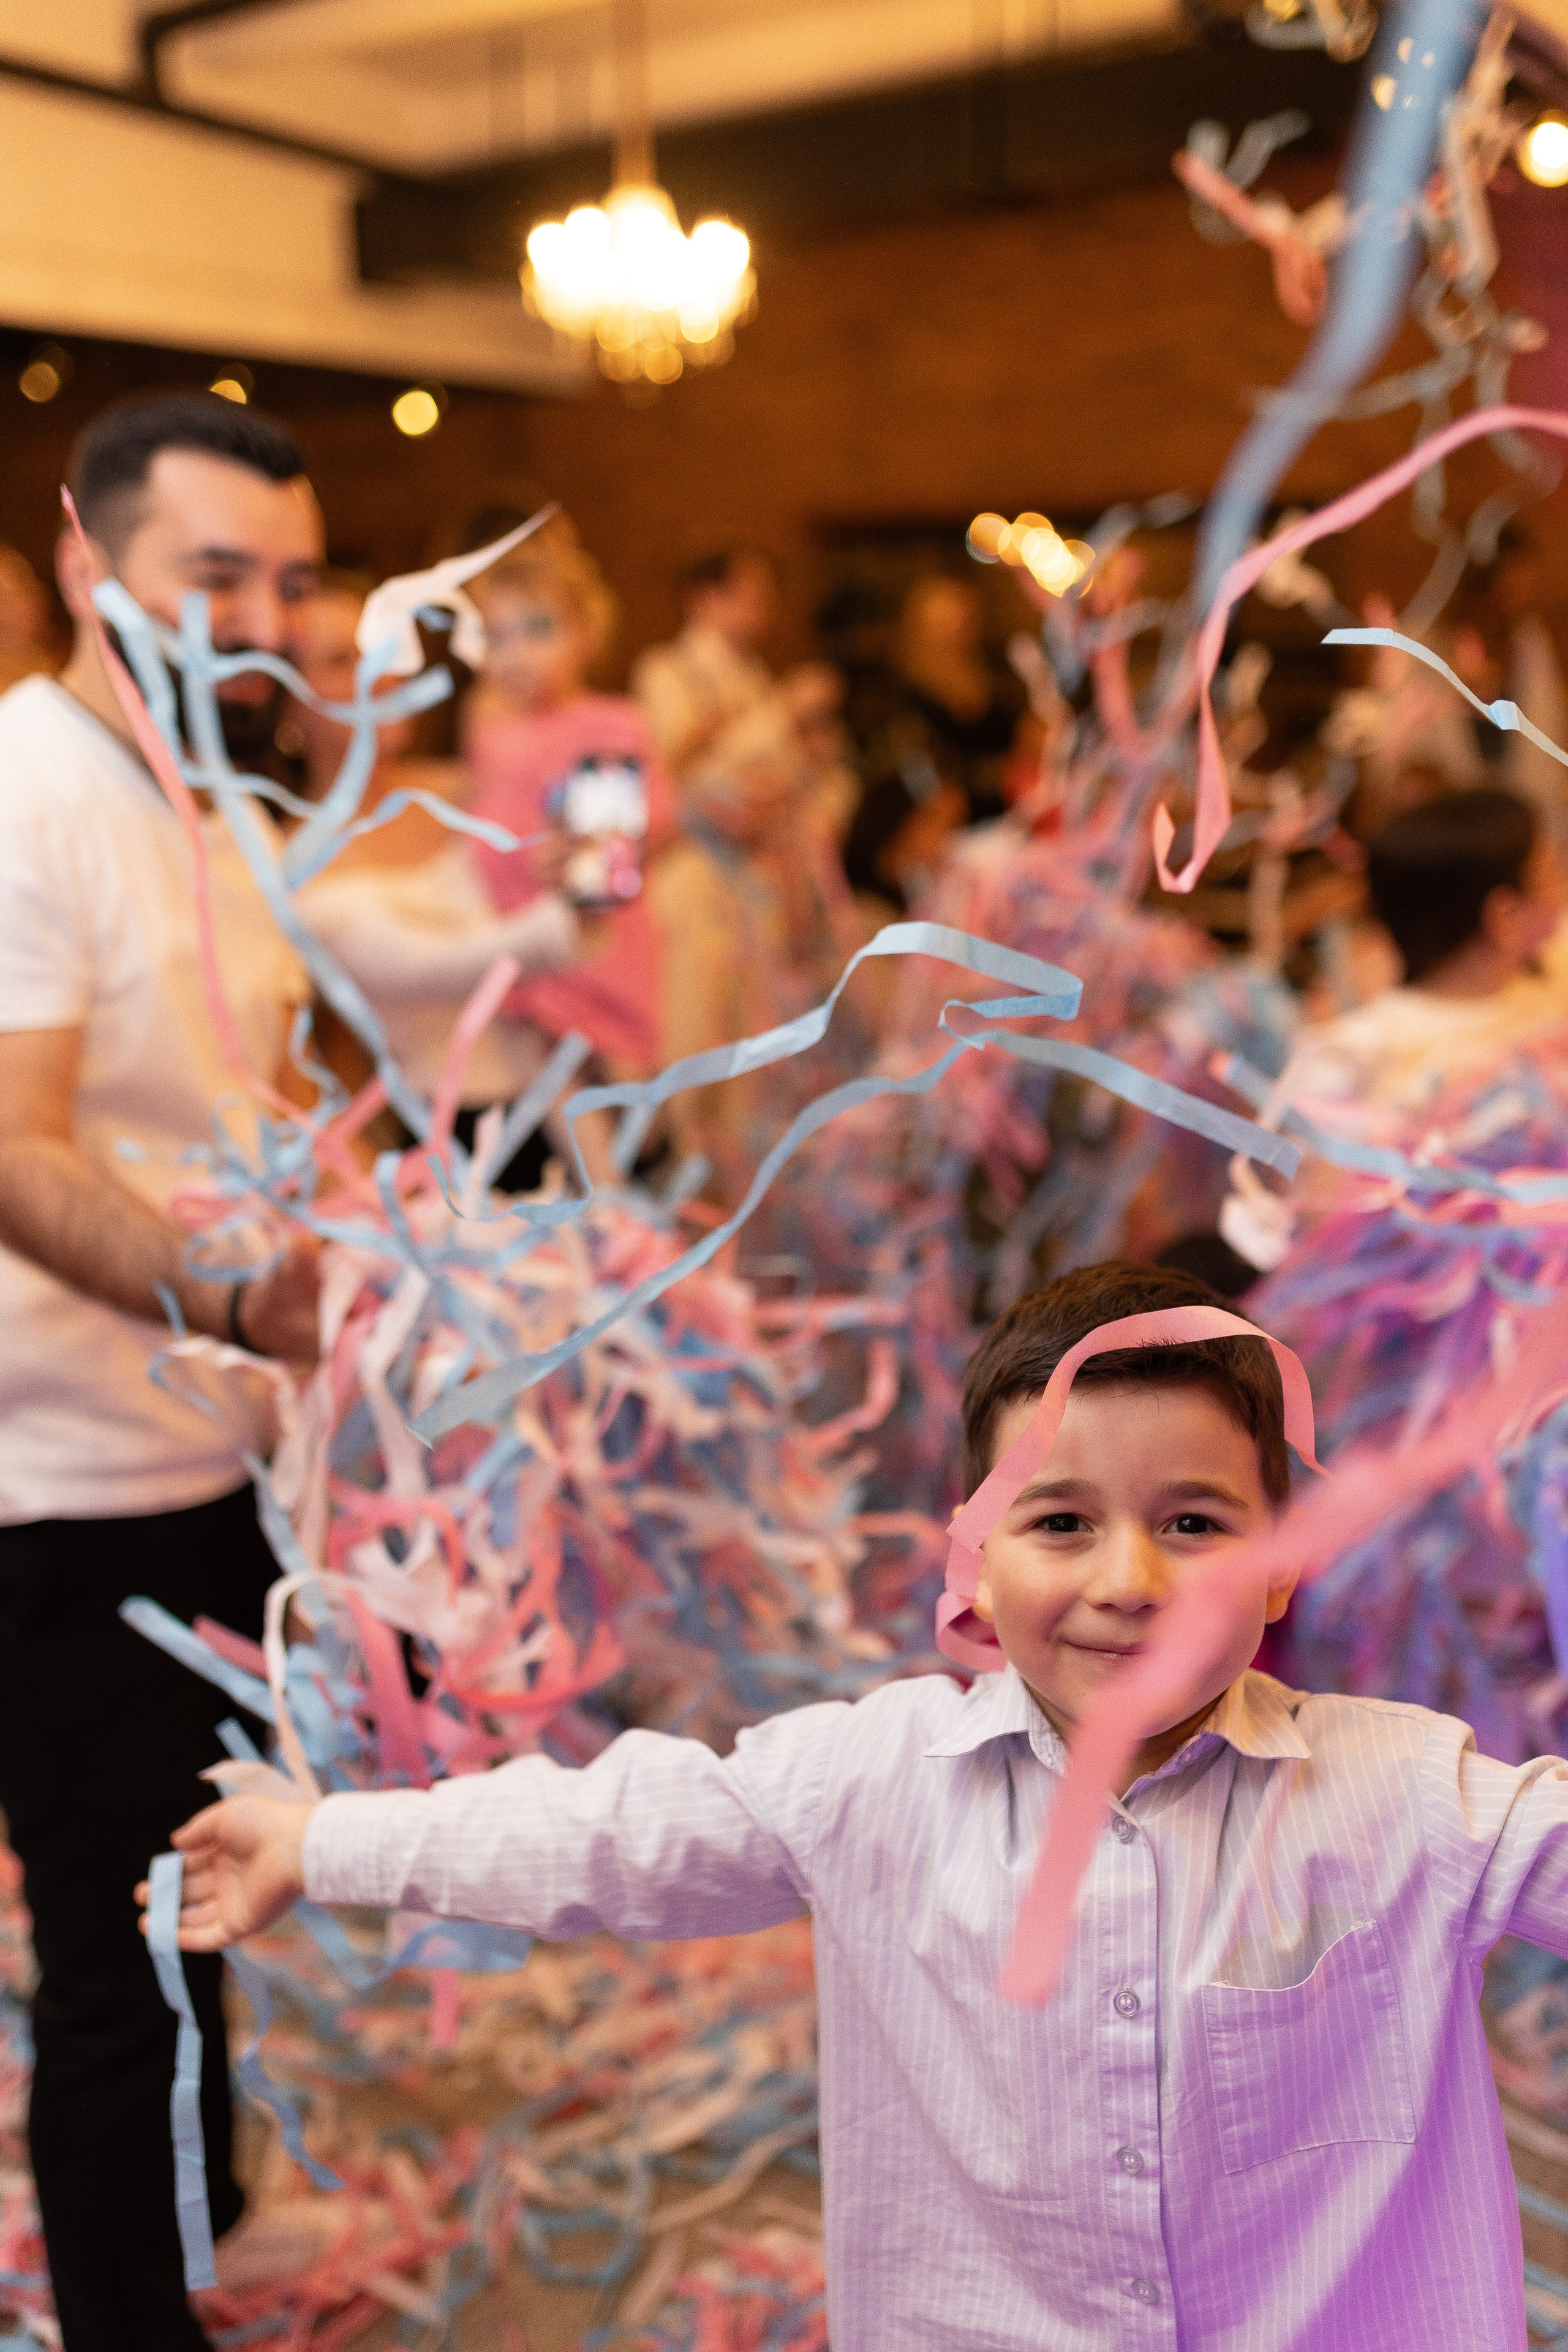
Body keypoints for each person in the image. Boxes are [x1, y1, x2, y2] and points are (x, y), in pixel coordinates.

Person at [147, 1255, 1568, 2350]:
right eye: (1059, 1521)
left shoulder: (1401, 1794)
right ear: (973, 1556)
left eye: (1192, 1522)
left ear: (1281, 1560)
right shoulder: (871, 1781)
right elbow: (607, 1836)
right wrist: (321, 1840)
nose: (1126, 1578)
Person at [0, 390, 335, 2348]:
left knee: (203, 1879)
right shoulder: (24, 792)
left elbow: (245, 1112)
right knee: (114, 1955)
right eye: (215, 573)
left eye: (289, 579)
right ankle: (132, 2315)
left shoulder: (214, 800)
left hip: (213, 1455)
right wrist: (236, 1299)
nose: (260, 619)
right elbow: (16, 1148)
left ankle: (205, 2211)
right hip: (59, 1481)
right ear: (84, 564)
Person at [1277, 785, 1568, 1117]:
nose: (1564, 892)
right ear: (1506, 917)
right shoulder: (1351, 1061)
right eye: (1554, 875)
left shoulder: (1550, 975)